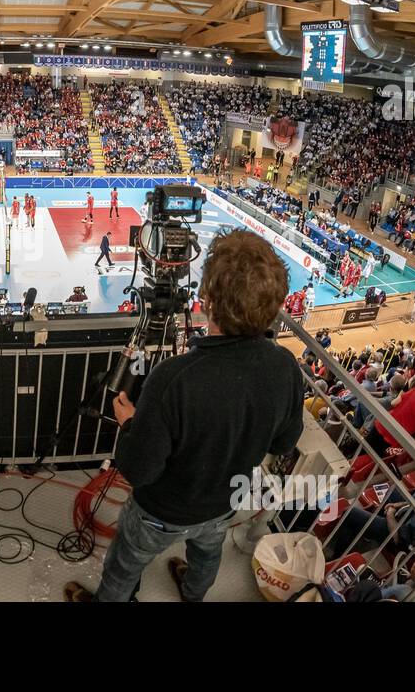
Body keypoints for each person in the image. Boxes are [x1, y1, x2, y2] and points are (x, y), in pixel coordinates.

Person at [64, 230, 303, 602]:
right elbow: (284, 442)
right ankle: (193, 594)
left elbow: (139, 470)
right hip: (224, 503)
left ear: (207, 301)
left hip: (161, 512)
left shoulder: (172, 378)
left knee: (124, 567)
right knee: (208, 555)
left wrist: (129, 423)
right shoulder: (286, 367)